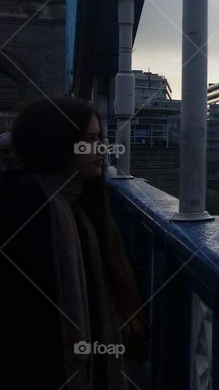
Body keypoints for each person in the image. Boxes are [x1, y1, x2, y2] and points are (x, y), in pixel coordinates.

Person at [0, 97, 147, 389]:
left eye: (100, 138)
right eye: (89, 139)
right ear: (56, 143)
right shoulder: (17, 214)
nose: (101, 149)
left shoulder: (82, 207)